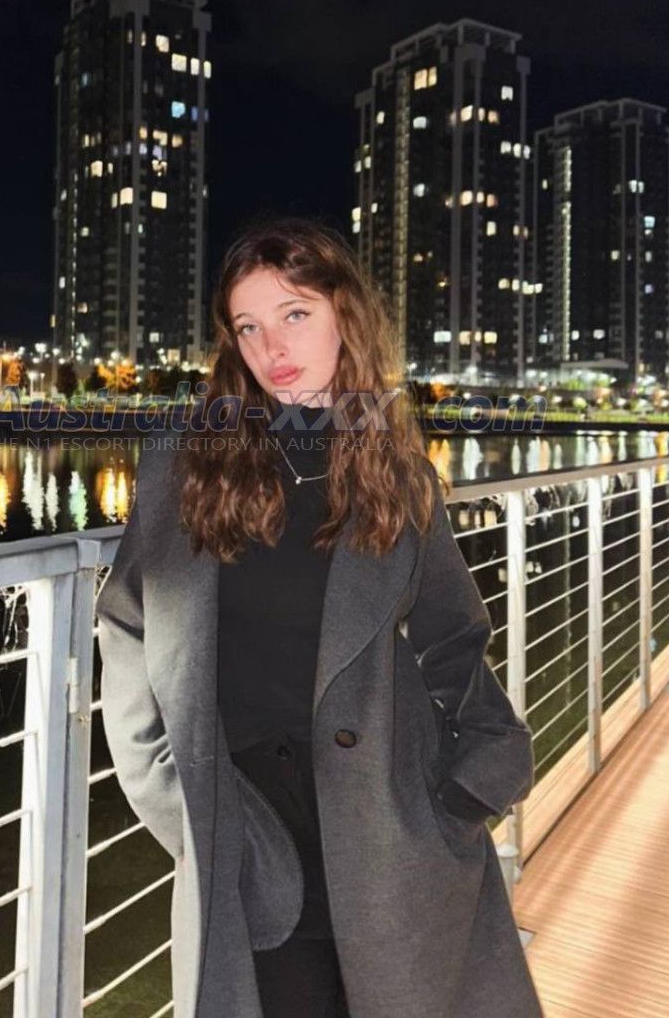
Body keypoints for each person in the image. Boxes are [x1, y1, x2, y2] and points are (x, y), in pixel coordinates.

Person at [97, 217, 543, 1018]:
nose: (272, 346)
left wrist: (474, 783)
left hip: (390, 827)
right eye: (248, 326)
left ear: (345, 315)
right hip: (251, 828)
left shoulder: (397, 475)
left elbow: (454, 637)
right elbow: (127, 627)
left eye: (295, 313)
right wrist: (172, 800)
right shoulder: (187, 465)